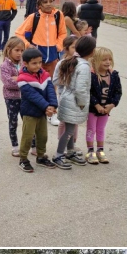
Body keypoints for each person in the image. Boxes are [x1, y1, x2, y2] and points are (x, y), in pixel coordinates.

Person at [53, 36, 95, 168]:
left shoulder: (75, 61)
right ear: (91, 51)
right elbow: (81, 88)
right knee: (69, 130)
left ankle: (70, 152)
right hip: (75, 101)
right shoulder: (83, 66)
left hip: (68, 98)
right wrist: (82, 103)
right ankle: (59, 155)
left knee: (70, 128)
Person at [15, 47, 58, 172]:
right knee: (28, 137)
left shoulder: (44, 75)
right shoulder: (22, 79)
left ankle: (41, 156)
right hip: (29, 113)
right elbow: (33, 96)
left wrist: (53, 105)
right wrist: (47, 107)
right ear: (26, 63)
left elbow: (50, 90)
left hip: (42, 113)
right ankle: (23, 159)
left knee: (43, 136)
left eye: (40, 62)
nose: (38, 65)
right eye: (34, 63)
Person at [15, 0, 65, 77]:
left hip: (53, 53)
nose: (48, 4)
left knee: (51, 82)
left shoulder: (58, 15)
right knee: (36, 80)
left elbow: (63, 33)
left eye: (51, 1)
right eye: (45, 2)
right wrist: (27, 45)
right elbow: (18, 33)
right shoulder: (34, 17)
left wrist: (59, 45)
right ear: (40, 5)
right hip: (37, 53)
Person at [86, 46, 120, 164]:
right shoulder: (91, 76)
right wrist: (96, 105)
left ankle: (100, 150)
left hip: (106, 109)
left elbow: (118, 92)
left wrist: (112, 105)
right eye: (104, 59)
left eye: (109, 59)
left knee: (101, 129)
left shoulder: (114, 75)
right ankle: (90, 151)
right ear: (95, 61)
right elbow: (88, 92)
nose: (107, 62)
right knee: (91, 129)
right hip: (93, 109)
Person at [0, 37, 27, 156]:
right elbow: (8, 83)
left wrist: (18, 79)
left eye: (22, 51)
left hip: (25, 98)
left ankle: (32, 144)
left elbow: (31, 78)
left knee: (28, 121)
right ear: (9, 49)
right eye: (17, 50)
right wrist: (23, 81)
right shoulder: (4, 66)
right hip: (11, 98)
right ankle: (15, 145)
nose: (19, 53)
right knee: (13, 121)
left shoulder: (24, 63)